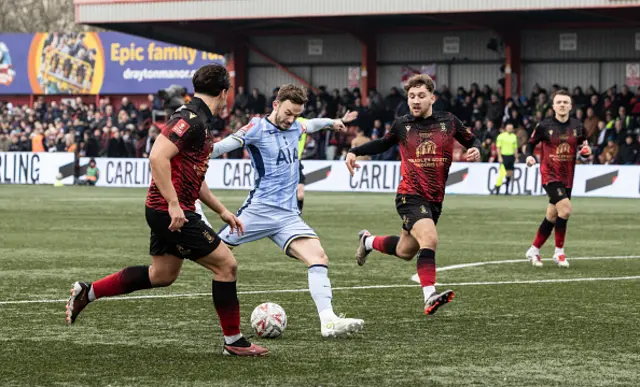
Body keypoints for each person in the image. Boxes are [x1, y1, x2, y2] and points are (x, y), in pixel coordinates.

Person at [65, 64, 268, 357]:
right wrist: (174, 204)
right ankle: (234, 341)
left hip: (169, 209)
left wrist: (222, 211)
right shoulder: (191, 119)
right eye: (227, 94)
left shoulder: (197, 119)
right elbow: (157, 156)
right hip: (172, 212)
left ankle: (89, 292)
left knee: (162, 275)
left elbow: (192, 178)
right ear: (224, 92)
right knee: (227, 265)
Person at [197, 84, 364, 338]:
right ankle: (192, 227)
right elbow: (226, 144)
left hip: (288, 216)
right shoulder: (257, 127)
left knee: (318, 258)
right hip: (258, 211)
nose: (291, 119)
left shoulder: (297, 124)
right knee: (210, 249)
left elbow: (312, 124)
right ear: (276, 105)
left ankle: (328, 320)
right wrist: (201, 150)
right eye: (288, 113)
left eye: (296, 114)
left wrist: (334, 121)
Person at [345, 74, 482, 316]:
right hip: (409, 195)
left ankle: (367, 241)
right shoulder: (402, 125)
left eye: (420, 96)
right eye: (411, 96)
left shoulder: (449, 121)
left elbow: (472, 140)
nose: (415, 101)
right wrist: (355, 150)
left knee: (405, 252)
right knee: (430, 239)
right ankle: (430, 295)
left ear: (432, 98)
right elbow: (381, 144)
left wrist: (475, 149)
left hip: (435, 200)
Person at [524, 90, 590, 269]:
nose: (562, 105)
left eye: (565, 102)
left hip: (568, 177)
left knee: (552, 215)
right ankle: (559, 252)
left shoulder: (578, 126)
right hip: (549, 175)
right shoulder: (544, 126)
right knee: (566, 209)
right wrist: (529, 157)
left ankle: (534, 249)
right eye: (559, 102)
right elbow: (530, 144)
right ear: (553, 106)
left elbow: (584, 147)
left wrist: (586, 153)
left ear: (570, 106)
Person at [494, 123, 519, 195]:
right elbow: (498, 147)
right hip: (503, 156)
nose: (510, 129)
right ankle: (497, 187)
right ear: (506, 128)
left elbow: (515, 148)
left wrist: (516, 157)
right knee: (502, 173)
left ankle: (507, 190)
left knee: (510, 173)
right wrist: (499, 156)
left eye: (511, 128)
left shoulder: (514, 136)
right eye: (508, 128)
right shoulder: (501, 136)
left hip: (511, 156)